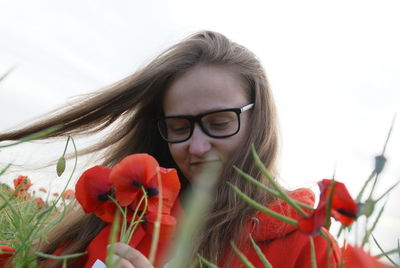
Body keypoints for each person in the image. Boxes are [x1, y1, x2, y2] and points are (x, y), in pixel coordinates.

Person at [0, 31, 340, 267]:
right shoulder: (129, 212)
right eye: (179, 127)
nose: (197, 146)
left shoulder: (308, 248)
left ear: (258, 120)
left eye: (219, 123)